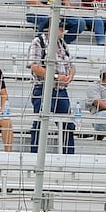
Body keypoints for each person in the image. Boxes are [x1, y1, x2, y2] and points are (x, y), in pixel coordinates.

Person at [26, 25, 76, 155]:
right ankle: (36, 155)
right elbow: (34, 66)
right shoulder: (38, 42)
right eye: (60, 27)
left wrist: (70, 75)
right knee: (41, 123)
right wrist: (55, 77)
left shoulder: (62, 43)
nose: (63, 30)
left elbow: (71, 64)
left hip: (61, 90)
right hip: (44, 88)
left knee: (67, 125)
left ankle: (68, 156)